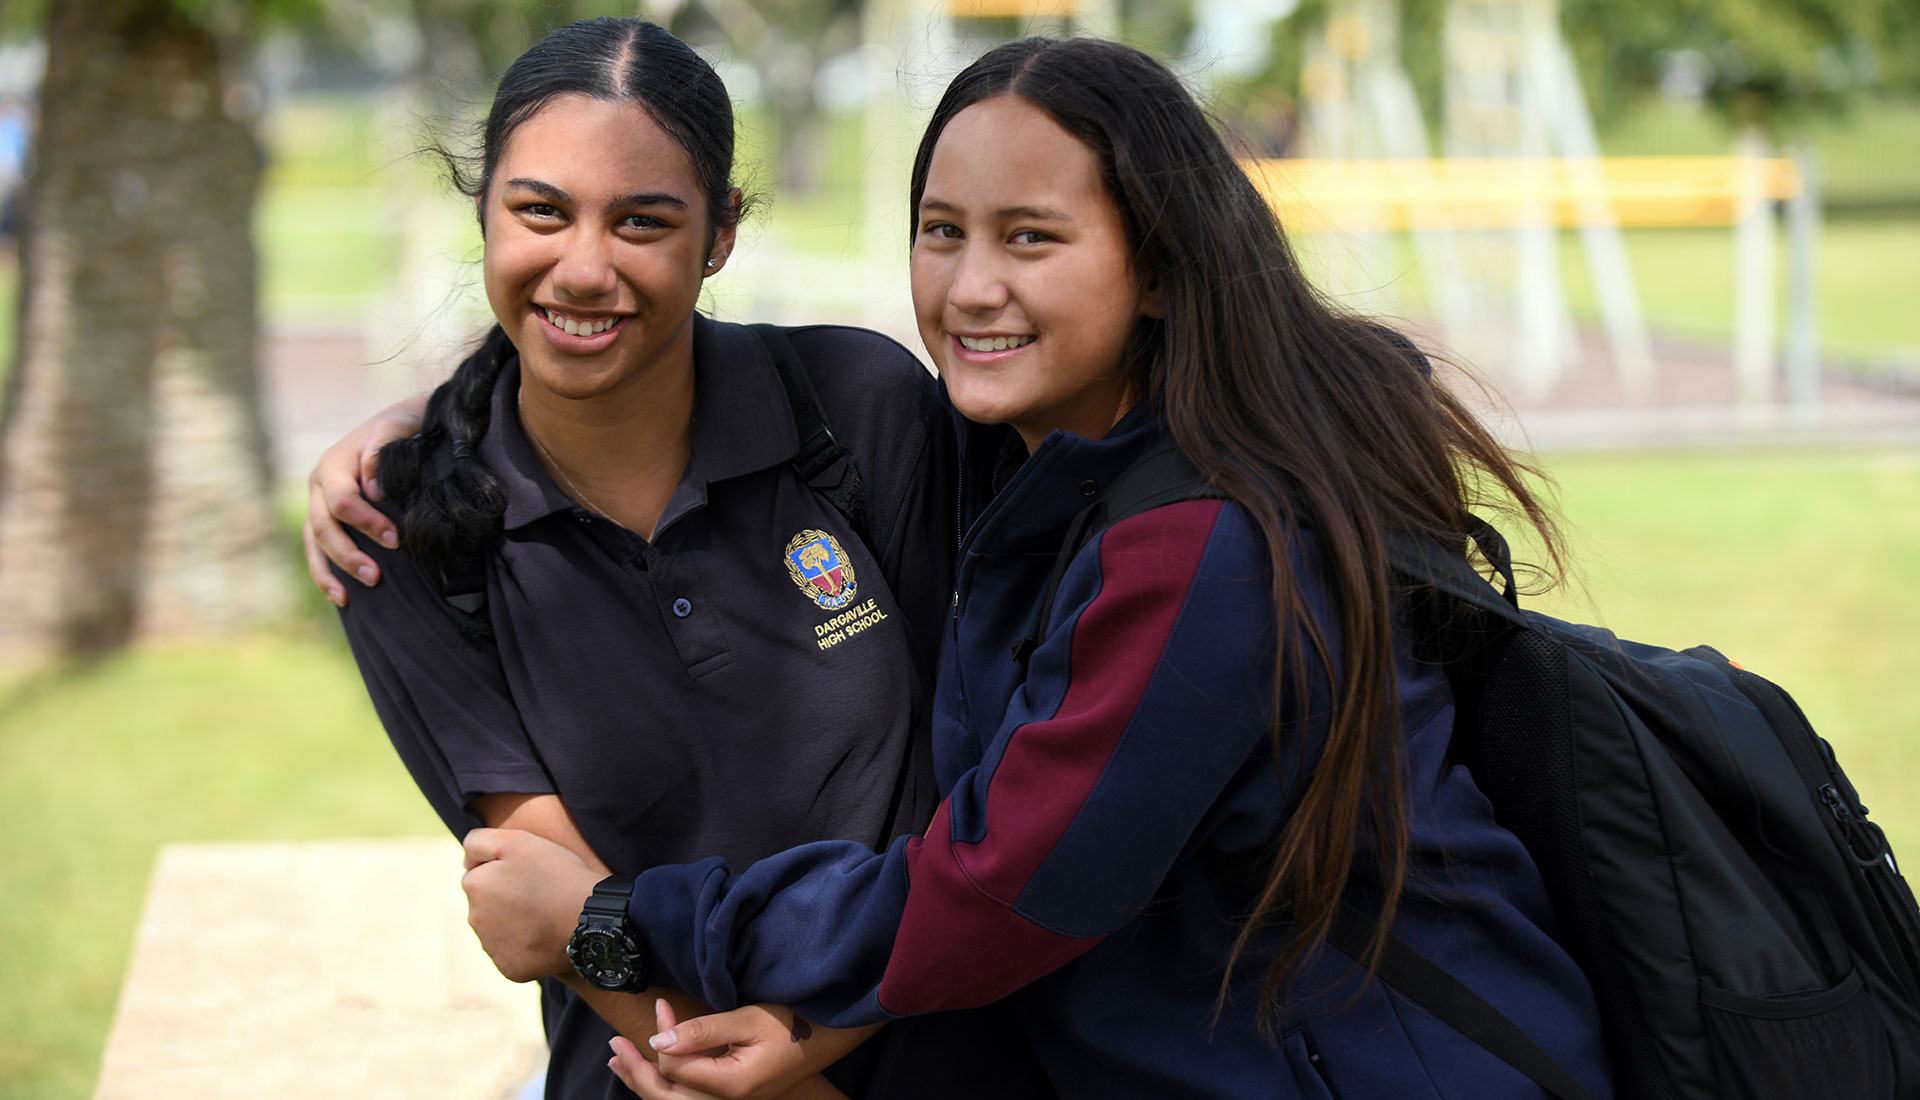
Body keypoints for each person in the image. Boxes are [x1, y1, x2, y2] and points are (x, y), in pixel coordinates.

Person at [448, 36, 1617, 1100]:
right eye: (942, 230)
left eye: (1030, 237)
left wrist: (616, 914)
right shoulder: (1028, 463)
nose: (970, 287)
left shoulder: (1206, 543)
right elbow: (590, 367)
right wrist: (435, 428)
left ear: (1156, 267)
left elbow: (991, 888)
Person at [307, 17, 1050, 1100]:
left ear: (720, 234)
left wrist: (809, 1044)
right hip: (656, 1071)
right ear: (483, 211)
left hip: (951, 1047)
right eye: (540, 211)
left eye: (642, 221)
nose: (584, 267)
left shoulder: (861, 411)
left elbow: (980, 787)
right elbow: (557, 900)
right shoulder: (403, 532)